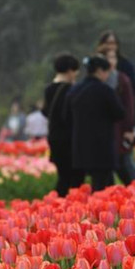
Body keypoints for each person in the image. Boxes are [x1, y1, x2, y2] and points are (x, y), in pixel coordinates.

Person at [65, 55, 125, 192]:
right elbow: (120, 113)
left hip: (80, 146)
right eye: (107, 72)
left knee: (77, 188)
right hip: (102, 147)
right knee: (102, 187)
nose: (107, 76)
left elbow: (66, 116)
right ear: (99, 71)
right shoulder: (105, 90)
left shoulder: (74, 90)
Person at [43, 53, 82, 197]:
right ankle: (61, 204)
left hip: (54, 137)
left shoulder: (48, 89)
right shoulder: (70, 89)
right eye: (75, 71)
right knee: (73, 178)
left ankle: (58, 203)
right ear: (70, 70)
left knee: (63, 175)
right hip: (69, 139)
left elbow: (45, 111)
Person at [104, 49, 135, 185]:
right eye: (108, 58)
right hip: (106, 130)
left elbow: (129, 106)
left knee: (126, 162)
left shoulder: (122, 79)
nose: (111, 61)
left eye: (113, 58)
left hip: (121, 128)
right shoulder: (99, 81)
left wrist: (129, 128)